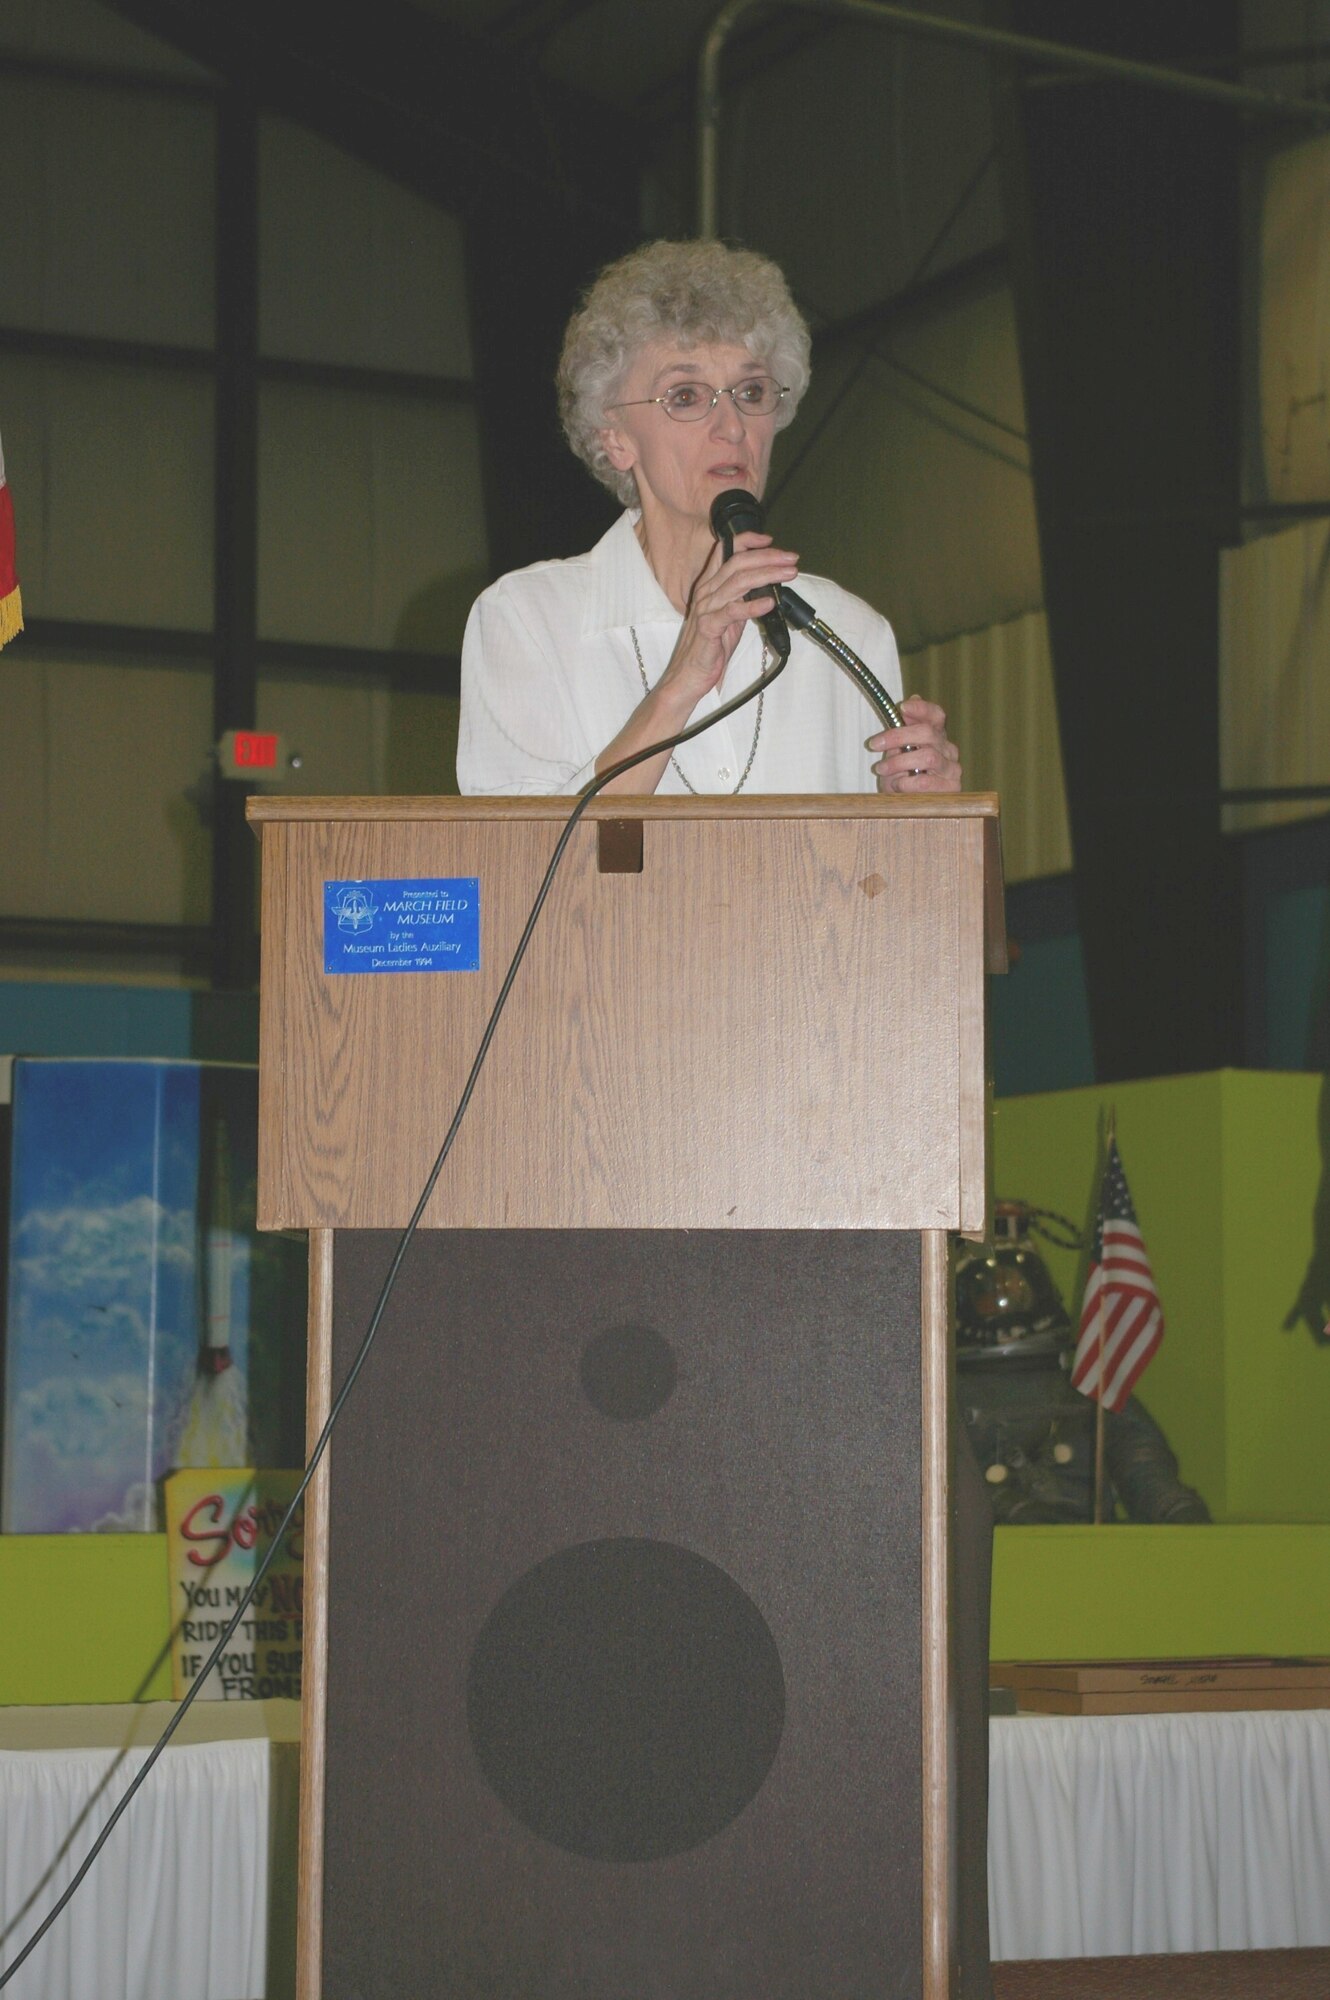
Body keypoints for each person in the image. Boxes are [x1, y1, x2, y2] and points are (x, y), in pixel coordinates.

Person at [457, 238, 961, 798]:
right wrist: (679, 686)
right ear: (615, 438)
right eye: (686, 396)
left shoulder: (850, 634)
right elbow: (524, 870)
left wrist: (922, 814)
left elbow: (883, 879)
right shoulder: (528, 620)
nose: (733, 426)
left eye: (751, 391)